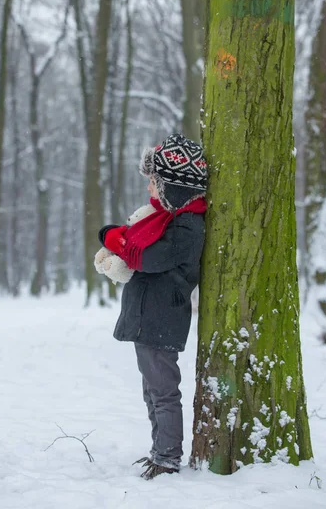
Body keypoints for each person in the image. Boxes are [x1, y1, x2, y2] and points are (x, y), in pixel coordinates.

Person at [98, 133, 207, 479]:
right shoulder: (165, 220)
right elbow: (135, 246)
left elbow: (147, 258)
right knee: (152, 390)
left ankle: (168, 456)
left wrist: (115, 238)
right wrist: (117, 237)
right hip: (150, 318)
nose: (150, 190)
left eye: (155, 183)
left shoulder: (187, 226)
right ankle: (159, 449)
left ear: (174, 187)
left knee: (163, 391)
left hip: (162, 318)